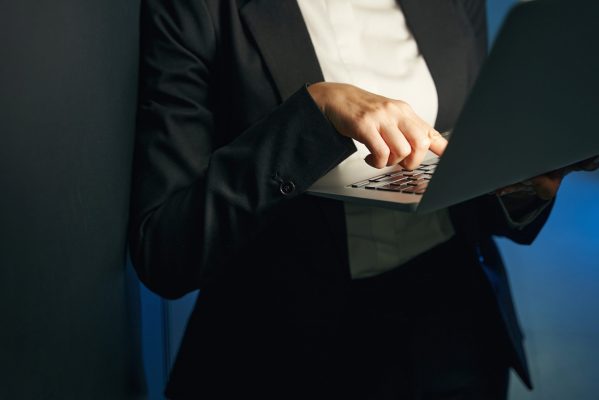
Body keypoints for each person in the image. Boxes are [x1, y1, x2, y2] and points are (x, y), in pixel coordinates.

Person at [129, 0, 598, 399]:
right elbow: (166, 250)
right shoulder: (198, 8)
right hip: (281, 349)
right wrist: (314, 112)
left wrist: (529, 179)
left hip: (455, 330)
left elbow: (470, 178)